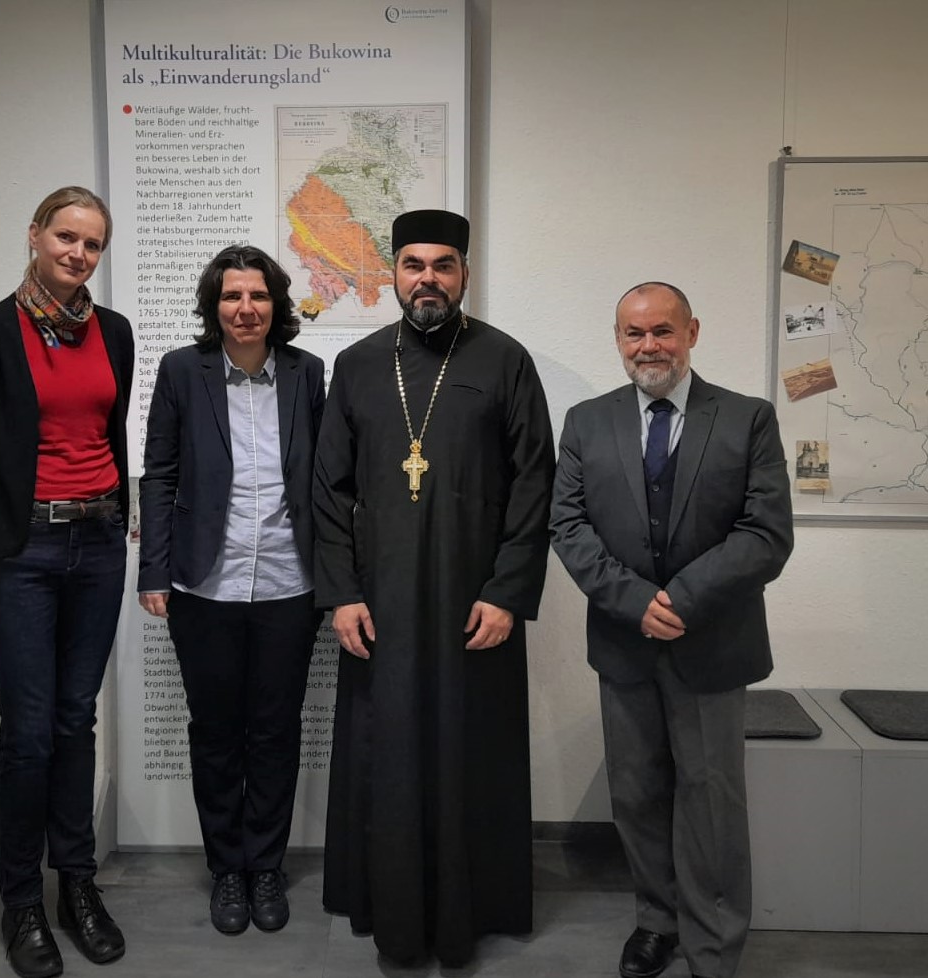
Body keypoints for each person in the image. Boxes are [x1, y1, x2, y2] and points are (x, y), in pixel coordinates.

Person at [313, 209, 556, 966]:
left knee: (468, 750)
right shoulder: (357, 364)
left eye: (442, 265)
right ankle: (385, 904)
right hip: (378, 602)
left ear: (464, 274)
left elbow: (534, 484)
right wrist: (341, 593)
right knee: (383, 749)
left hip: (472, 602)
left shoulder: (505, 360)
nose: (427, 279)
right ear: (393, 273)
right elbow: (327, 489)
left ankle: (468, 910)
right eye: (413, 264)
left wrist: (508, 592)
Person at [549, 282, 794, 978]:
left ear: (692, 332)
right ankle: (656, 921)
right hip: (623, 643)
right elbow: (567, 525)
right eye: (634, 333)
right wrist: (634, 601)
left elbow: (766, 532)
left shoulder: (747, 419)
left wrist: (681, 599)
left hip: (712, 642)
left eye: (662, 330)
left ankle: (712, 944)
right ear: (617, 339)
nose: (648, 346)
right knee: (636, 794)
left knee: (711, 799)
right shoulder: (586, 422)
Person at [0, 187, 132, 978]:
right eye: (65, 236)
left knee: (73, 722)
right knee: (26, 731)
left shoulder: (113, 332)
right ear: (34, 235)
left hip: (99, 546)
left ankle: (76, 887)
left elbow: (108, 433)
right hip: (20, 552)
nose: (77, 253)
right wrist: (13, 526)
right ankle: (21, 900)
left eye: (92, 244)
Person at [137, 245, 325, 936]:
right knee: (215, 732)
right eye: (231, 296)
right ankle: (226, 868)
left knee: (275, 731)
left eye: (258, 296)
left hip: (288, 583)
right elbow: (159, 473)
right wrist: (152, 570)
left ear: (276, 305)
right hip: (203, 585)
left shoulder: (308, 373)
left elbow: (327, 479)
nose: (245, 309)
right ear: (213, 306)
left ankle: (265, 865)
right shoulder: (181, 371)